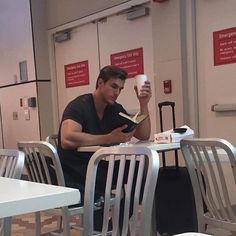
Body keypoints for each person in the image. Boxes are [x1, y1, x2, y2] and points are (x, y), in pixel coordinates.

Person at [57, 65, 152, 210]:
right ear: (100, 83)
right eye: (114, 86)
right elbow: (67, 139)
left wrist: (143, 104)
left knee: (139, 169)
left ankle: (118, 224)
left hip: (96, 166)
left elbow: (143, 134)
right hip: (73, 170)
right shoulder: (79, 106)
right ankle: (112, 226)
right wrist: (108, 138)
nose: (117, 92)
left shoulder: (114, 109)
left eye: (120, 89)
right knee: (129, 171)